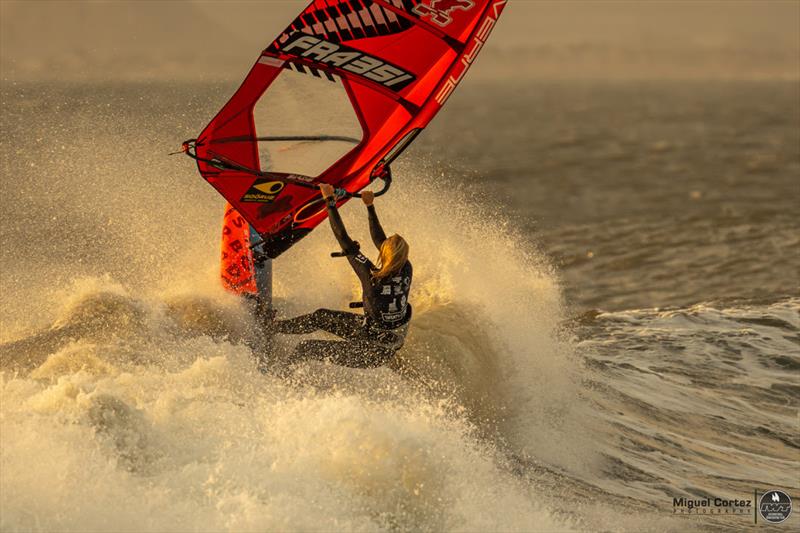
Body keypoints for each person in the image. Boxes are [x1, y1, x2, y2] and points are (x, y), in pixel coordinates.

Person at [270, 183, 412, 368]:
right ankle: (272, 328)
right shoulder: (406, 267)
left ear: (384, 254)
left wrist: (329, 201)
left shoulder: (372, 278)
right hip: (380, 337)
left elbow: (342, 238)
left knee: (307, 347)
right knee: (320, 317)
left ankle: (280, 377)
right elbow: (381, 241)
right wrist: (369, 206)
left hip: (369, 352)